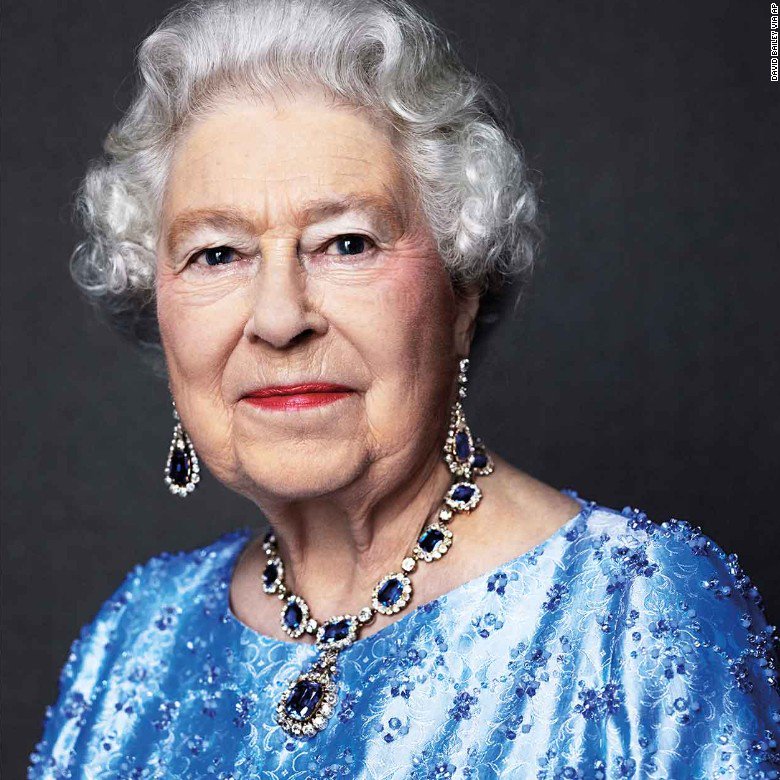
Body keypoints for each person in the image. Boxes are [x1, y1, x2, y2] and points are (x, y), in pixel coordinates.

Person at [28, 0, 779, 777]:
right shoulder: (136, 637)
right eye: (216, 254)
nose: (279, 318)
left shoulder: (636, 620)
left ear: (462, 296)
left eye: (346, 243)